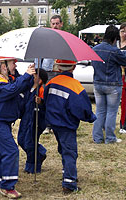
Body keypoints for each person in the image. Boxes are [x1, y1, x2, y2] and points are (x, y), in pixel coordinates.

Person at [44, 59, 96, 194]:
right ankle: (69, 183)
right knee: (70, 153)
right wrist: (91, 118)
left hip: (53, 123)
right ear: (73, 67)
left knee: (63, 149)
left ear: (58, 68)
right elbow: (82, 108)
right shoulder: (75, 86)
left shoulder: (50, 82)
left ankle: (66, 171)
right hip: (67, 125)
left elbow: (45, 101)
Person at [0, 56, 35, 199]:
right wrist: (26, 75)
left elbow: (23, 84)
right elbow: (13, 89)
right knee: (11, 150)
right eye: (12, 62)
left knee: (1, 150)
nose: (16, 64)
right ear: (3, 66)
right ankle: (7, 186)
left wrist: (32, 73)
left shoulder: (11, 77)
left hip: (5, 121)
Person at [91, 25, 126, 144]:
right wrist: (123, 51)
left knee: (100, 111)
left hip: (98, 83)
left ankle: (97, 137)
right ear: (115, 38)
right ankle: (110, 137)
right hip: (113, 84)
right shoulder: (114, 50)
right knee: (111, 112)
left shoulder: (95, 49)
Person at [17, 68, 48, 174]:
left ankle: (32, 167)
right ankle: (40, 152)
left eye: (34, 76)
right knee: (21, 140)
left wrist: (41, 102)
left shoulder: (42, 91)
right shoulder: (28, 88)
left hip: (36, 120)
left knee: (30, 143)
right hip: (26, 118)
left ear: (39, 80)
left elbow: (47, 106)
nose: (31, 77)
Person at [38, 14, 63, 135]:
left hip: (60, 73)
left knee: (58, 100)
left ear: (61, 24)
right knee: (46, 99)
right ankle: (47, 125)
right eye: (53, 24)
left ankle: (56, 124)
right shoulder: (46, 40)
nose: (55, 26)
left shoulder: (65, 39)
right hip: (47, 72)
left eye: (57, 23)